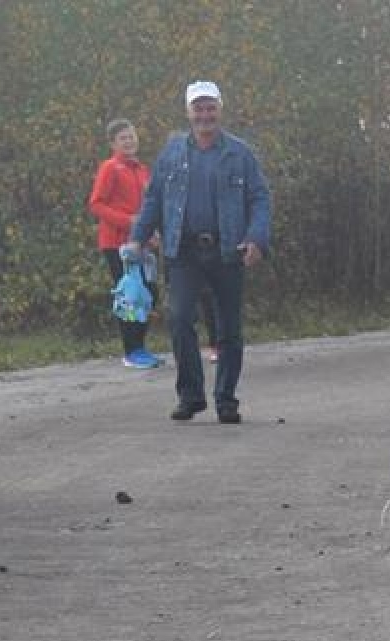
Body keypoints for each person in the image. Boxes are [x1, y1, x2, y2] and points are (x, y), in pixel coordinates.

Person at [124, 81, 271, 424]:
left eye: (210, 107)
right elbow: (154, 199)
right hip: (184, 251)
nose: (205, 114)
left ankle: (226, 400)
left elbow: (260, 198)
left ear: (220, 109)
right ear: (188, 112)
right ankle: (190, 396)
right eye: (198, 108)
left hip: (227, 250)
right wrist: (138, 237)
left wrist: (256, 238)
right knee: (179, 320)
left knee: (228, 328)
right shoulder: (173, 153)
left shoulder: (240, 153)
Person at [87, 119, 160, 369]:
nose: (129, 141)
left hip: (142, 244)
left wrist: (152, 231)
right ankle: (131, 351)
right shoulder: (110, 167)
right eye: (123, 138)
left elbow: (150, 206)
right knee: (130, 296)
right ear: (113, 143)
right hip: (117, 243)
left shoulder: (142, 170)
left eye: (132, 136)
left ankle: (140, 346)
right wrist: (129, 222)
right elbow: (96, 204)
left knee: (150, 293)